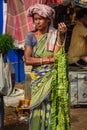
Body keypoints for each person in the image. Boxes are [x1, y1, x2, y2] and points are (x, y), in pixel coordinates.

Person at [24, 4, 67, 130]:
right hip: (38, 78)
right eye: (35, 19)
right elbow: (27, 59)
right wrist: (48, 60)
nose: (37, 22)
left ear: (48, 20)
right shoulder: (30, 36)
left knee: (51, 106)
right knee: (36, 108)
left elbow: (57, 56)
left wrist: (60, 36)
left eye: (40, 19)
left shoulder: (54, 34)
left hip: (50, 78)